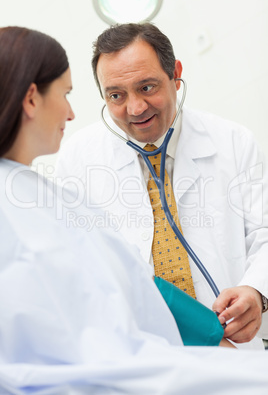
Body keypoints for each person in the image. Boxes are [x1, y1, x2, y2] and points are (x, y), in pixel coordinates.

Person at [55, 22, 268, 350]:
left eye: (147, 87)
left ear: (175, 74)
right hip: (140, 357)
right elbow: (77, 267)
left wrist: (256, 291)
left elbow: (264, 234)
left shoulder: (234, 142)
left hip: (232, 346)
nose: (135, 108)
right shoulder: (76, 160)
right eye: (116, 95)